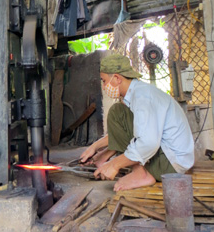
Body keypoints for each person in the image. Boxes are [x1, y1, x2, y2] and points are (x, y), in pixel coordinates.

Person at [80, 54, 194, 191]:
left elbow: (148, 143)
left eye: (104, 81)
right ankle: (110, 158)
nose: (104, 87)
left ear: (117, 78)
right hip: (168, 157)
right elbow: (129, 131)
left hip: (171, 165)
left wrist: (114, 165)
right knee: (119, 113)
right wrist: (96, 147)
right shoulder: (138, 92)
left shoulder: (142, 98)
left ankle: (141, 174)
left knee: (118, 113)